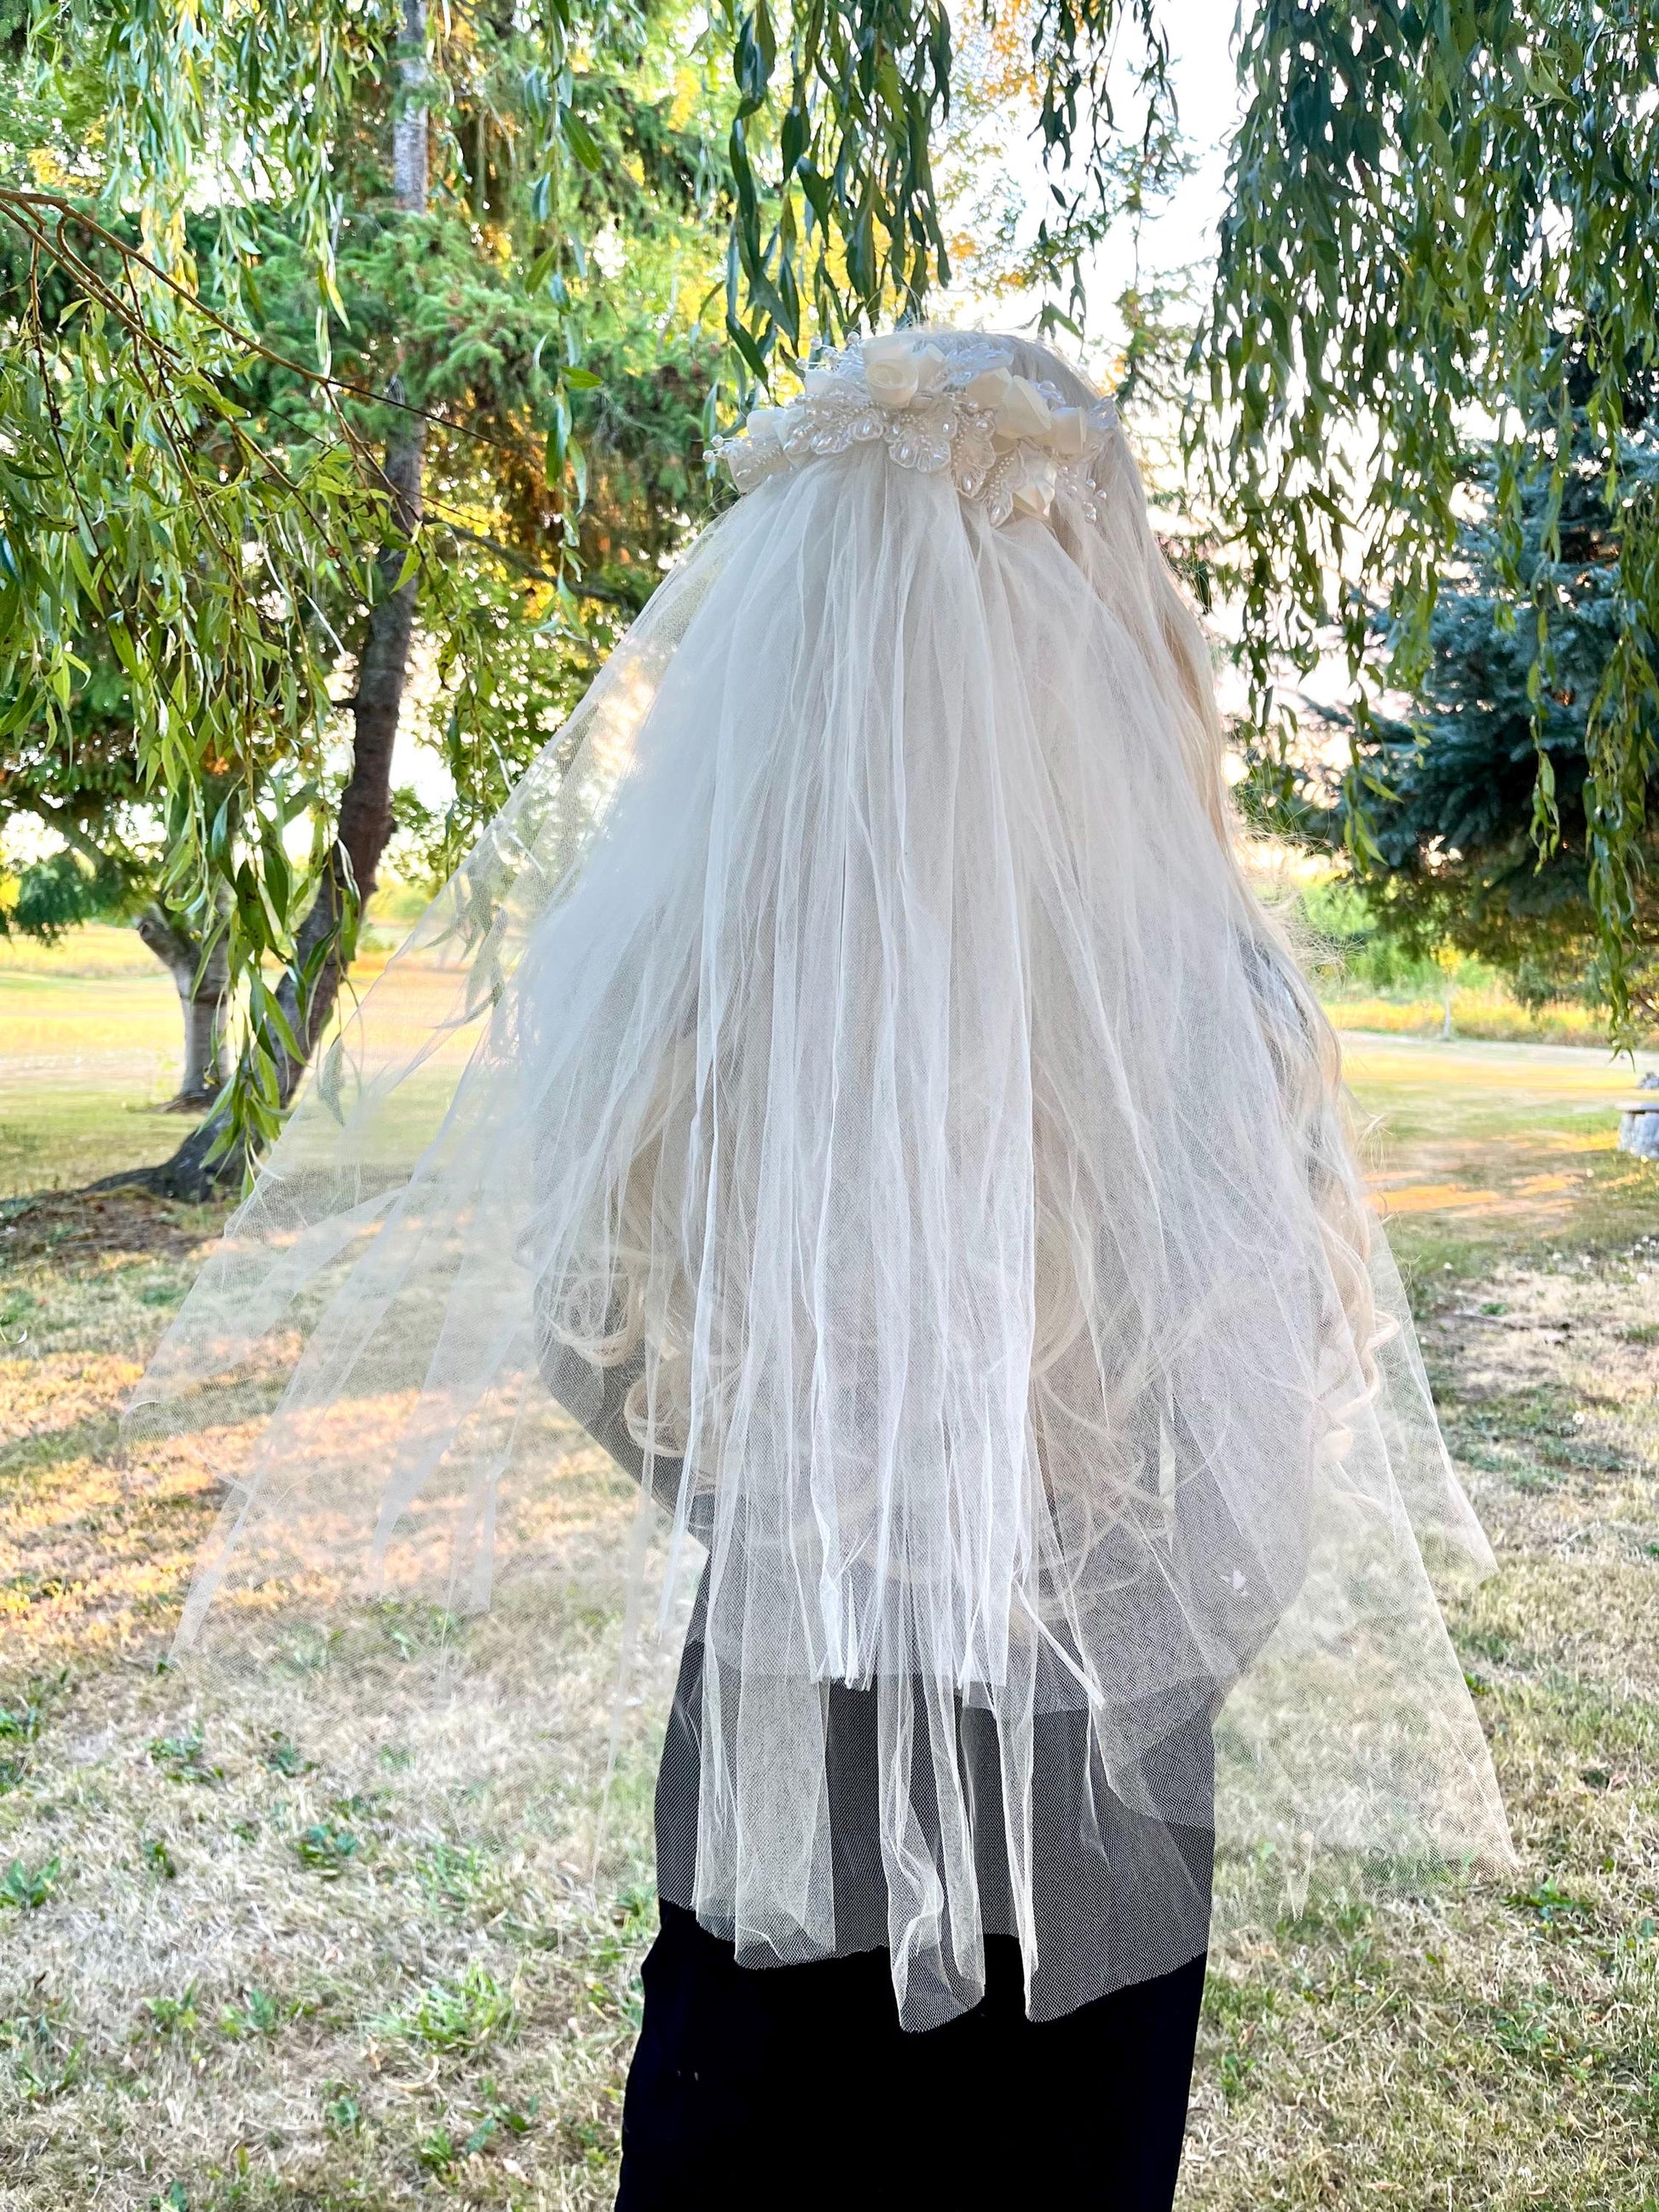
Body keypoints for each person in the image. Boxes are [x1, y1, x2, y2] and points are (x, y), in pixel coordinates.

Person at [129, 327, 1512, 2211]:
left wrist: (826, 1523)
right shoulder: (1209, 996)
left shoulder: (715, 992)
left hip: (779, 1798)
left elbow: (603, 1353)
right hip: (1097, 1838)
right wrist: (1057, 1597)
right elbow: (1251, 1499)